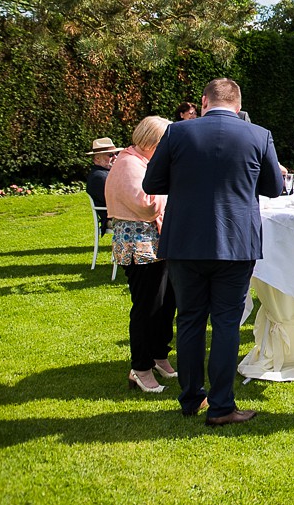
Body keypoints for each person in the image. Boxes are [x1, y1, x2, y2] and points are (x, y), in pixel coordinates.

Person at [143, 78, 282, 426]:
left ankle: (191, 398)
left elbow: (151, 183)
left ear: (204, 101)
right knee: (225, 322)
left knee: (189, 318)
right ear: (237, 103)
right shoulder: (258, 135)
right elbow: (274, 187)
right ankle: (221, 405)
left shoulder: (177, 133)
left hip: (186, 240)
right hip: (235, 242)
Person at [107, 116, 175, 394]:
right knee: (147, 308)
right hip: (139, 247)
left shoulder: (142, 162)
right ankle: (140, 368)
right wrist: (170, 184)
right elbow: (147, 206)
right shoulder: (129, 164)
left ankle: (159, 355)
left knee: (166, 303)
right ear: (152, 141)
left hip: (156, 245)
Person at [86, 137, 122, 214]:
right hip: (114, 218)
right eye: (110, 155)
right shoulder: (98, 177)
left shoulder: (106, 173)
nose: (115, 157)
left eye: (116, 153)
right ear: (97, 158)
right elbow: (114, 201)